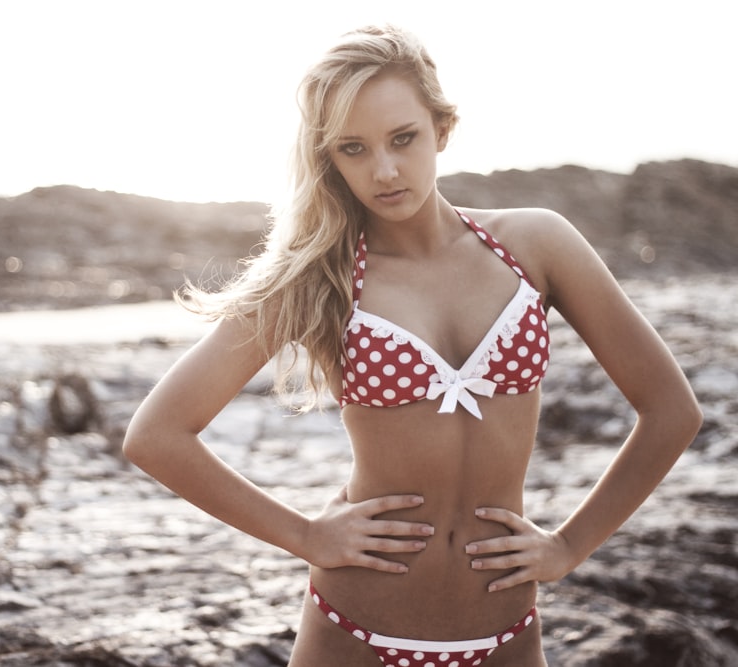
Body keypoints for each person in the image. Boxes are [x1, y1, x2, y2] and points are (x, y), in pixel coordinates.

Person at [122, 24, 702, 666]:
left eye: (404, 138)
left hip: (506, 633)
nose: (386, 170)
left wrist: (569, 546)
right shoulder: (320, 277)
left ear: (442, 128)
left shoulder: (536, 246)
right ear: (329, 159)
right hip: (356, 630)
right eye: (354, 149)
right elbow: (157, 434)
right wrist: (308, 535)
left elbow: (671, 410)